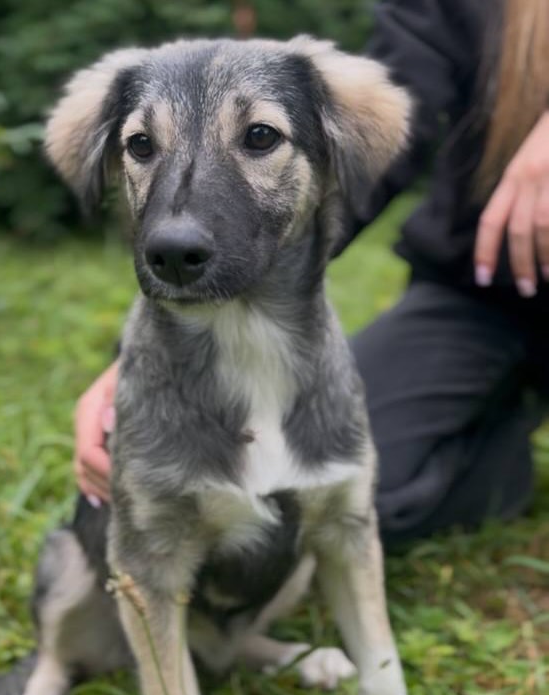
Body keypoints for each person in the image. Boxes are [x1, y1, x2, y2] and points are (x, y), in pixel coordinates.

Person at [73, 0, 549, 543]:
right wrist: (140, 364)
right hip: (484, 292)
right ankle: (502, 439)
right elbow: (387, 138)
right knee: (318, 496)